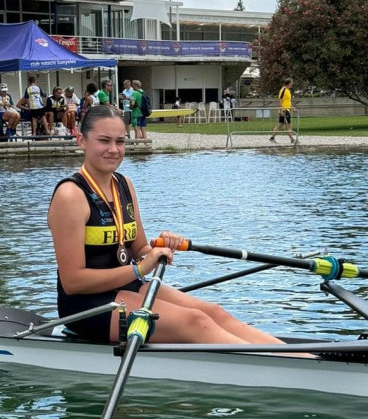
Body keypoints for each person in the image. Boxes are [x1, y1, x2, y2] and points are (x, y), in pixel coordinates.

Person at [47, 105, 293, 346]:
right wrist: (140, 269)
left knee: (213, 312)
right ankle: (284, 369)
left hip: (128, 288)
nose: (114, 150)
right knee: (195, 321)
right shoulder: (71, 195)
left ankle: (302, 357)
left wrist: (158, 247)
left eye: (120, 141)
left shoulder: (123, 184)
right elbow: (73, 281)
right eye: (104, 141)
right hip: (86, 305)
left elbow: (139, 249)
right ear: (82, 141)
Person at [269, 77, 295, 143]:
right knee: (288, 125)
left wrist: (292, 107)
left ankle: (272, 137)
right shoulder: (283, 90)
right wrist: (281, 111)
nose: (292, 84)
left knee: (280, 124)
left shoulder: (288, 91)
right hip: (284, 110)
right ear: (289, 83)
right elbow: (280, 101)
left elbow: (289, 101)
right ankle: (292, 139)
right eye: (291, 83)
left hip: (287, 110)